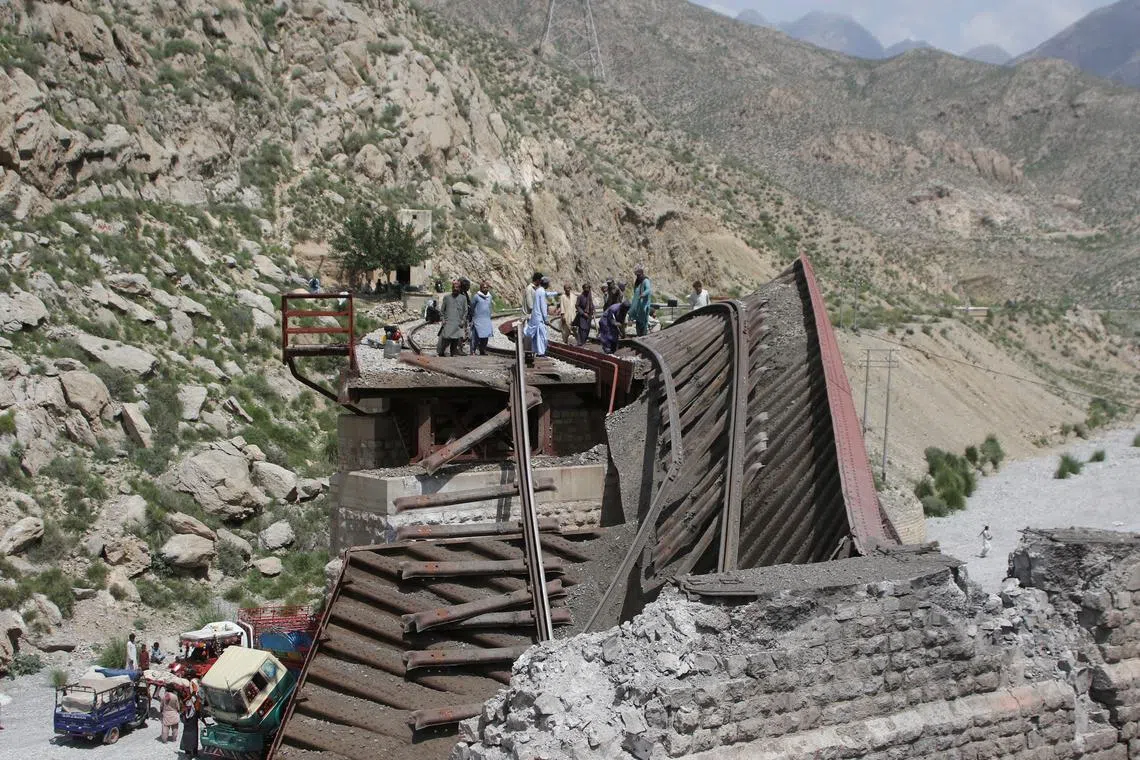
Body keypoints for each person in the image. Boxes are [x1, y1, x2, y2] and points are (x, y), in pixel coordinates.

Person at [437, 280, 468, 357]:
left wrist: (463, 320)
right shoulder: (447, 298)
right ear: (452, 288)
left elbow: (465, 311)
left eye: (457, 287)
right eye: (454, 287)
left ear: (459, 289)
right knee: (446, 337)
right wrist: (443, 319)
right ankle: (441, 351)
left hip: (458, 322)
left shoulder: (463, 298)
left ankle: (453, 352)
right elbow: (442, 310)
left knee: (456, 338)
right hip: (448, 322)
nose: (455, 289)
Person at [523, 276, 551, 357]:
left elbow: (547, 294)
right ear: (546, 284)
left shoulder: (539, 290)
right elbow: (543, 306)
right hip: (539, 317)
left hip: (536, 316)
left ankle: (537, 350)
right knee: (542, 336)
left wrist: (556, 293)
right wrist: (546, 319)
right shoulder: (541, 292)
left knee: (537, 336)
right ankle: (541, 352)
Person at [471, 281, 494, 356]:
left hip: (486, 319)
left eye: (487, 287)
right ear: (480, 288)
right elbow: (472, 306)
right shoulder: (476, 296)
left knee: (486, 336)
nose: (485, 289)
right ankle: (473, 351)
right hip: (478, 319)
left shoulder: (489, 297)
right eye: (484, 287)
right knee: (476, 336)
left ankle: (482, 350)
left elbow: (490, 307)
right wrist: (473, 316)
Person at [629, 266, 653, 337]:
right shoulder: (637, 282)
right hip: (638, 306)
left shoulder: (646, 281)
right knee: (638, 322)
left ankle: (644, 336)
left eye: (639, 275)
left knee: (644, 322)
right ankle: (639, 336)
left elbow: (648, 290)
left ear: (642, 274)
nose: (638, 276)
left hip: (644, 306)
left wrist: (643, 294)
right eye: (637, 275)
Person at [180, 680, 201, 758]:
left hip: (187, 720)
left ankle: (188, 752)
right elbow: (197, 709)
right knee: (193, 736)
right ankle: (193, 752)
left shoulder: (187, 699)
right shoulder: (195, 699)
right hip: (192, 721)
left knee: (187, 735)